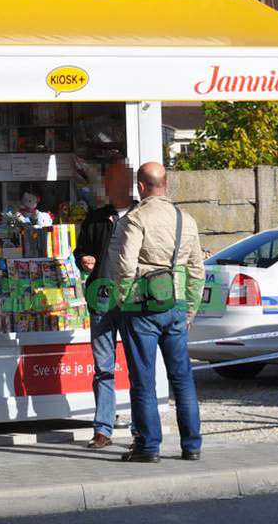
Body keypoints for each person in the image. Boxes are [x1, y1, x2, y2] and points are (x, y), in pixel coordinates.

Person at [109, 162, 205, 463]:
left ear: (140, 187)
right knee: (183, 379)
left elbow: (124, 267)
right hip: (175, 304)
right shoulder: (186, 220)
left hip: (141, 307)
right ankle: (191, 446)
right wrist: (190, 310)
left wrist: (124, 299)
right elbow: (197, 269)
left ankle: (149, 447)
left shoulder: (135, 219)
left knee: (143, 379)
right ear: (166, 184)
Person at [74, 162, 136, 449]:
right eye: (107, 182)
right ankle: (103, 429)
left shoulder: (141, 215)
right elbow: (81, 249)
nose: (108, 187)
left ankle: (141, 428)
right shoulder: (96, 218)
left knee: (138, 366)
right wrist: (84, 259)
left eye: (113, 181)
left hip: (133, 299)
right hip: (100, 297)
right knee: (103, 367)